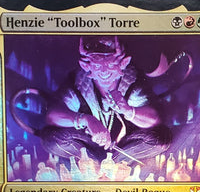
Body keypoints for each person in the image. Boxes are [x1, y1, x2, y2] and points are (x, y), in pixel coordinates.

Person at [39, 36, 171, 164]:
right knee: (51, 139)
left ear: (123, 63)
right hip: (89, 147)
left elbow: (155, 120)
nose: (104, 72)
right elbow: (52, 116)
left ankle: (116, 162)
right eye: (97, 66)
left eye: (110, 65)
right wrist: (85, 120)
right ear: (86, 66)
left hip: (124, 147)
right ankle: (91, 162)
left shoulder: (132, 82)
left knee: (160, 139)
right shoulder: (79, 83)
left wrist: (129, 111)